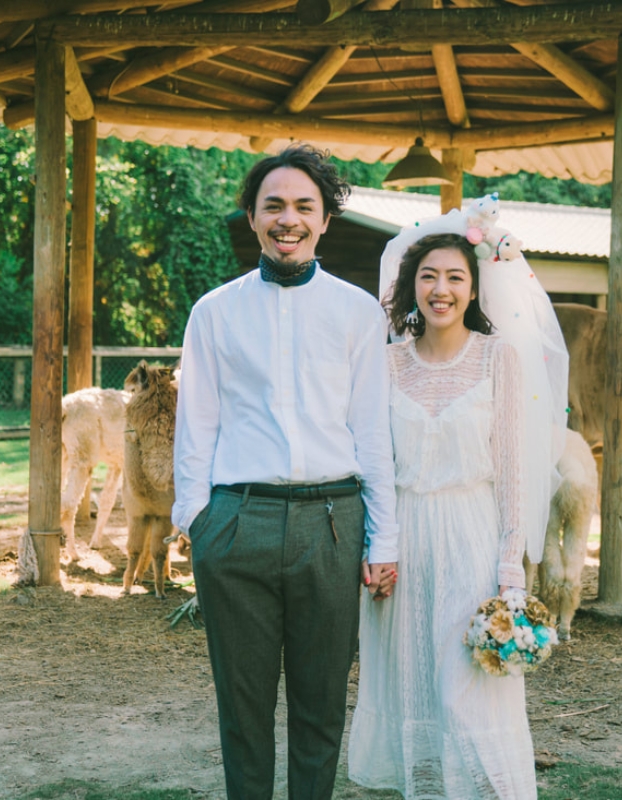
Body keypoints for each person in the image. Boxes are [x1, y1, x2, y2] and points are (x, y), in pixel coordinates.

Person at [172, 143, 398, 800]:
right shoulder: (215, 312)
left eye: (305, 206)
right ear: (252, 216)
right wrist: (197, 520)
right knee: (242, 711)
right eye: (274, 205)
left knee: (321, 705)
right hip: (237, 524)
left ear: (325, 219)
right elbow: (198, 427)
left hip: (333, 526)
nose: (288, 219)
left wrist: (384, 539)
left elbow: (372, 432)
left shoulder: (359, 312)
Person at [348, 202, 568, 799]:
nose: (440, 290)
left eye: (454, 277)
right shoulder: (387, 363)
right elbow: (371, 465)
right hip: (403, 540)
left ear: (474, 288)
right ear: (409, 286)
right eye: (428, 277)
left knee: (467, 691)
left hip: (472, 539)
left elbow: (513, 474)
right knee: (410, 683)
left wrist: (510, 572)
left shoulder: (501, 359)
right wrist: (376, 546)